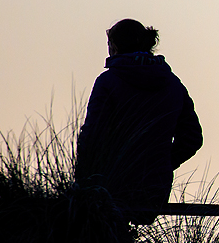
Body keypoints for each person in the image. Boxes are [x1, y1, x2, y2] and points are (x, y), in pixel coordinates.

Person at [76, 19, 203, 225]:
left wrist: (82, 182)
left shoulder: (108, 81)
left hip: (109, 187)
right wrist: (162, 163)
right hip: (155, 189)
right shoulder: (173, 84)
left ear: (114, 46)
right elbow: (193, 138)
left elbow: (92, 138)